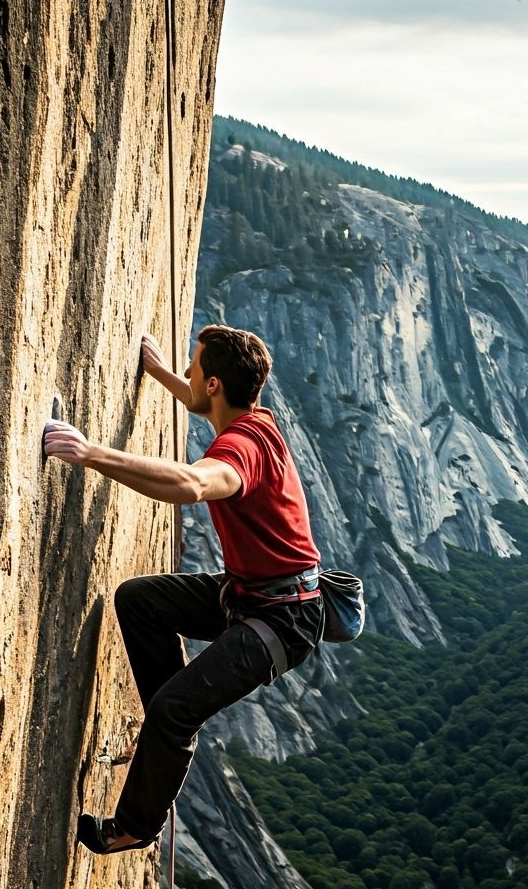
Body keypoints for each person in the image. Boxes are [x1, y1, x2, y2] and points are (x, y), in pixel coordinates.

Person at [42, 324, 324, 853]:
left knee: (175, 710)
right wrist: (161, 373)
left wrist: (91, 454)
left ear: (215, 383)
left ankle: (135, 827)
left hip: (284, 620)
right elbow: (202, 401)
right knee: (140, 600)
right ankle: (169, 729)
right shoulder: (254, 420)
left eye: (194, 368)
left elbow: (193, 484)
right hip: (254, 592)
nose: (190, 373)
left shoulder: (241, 448)